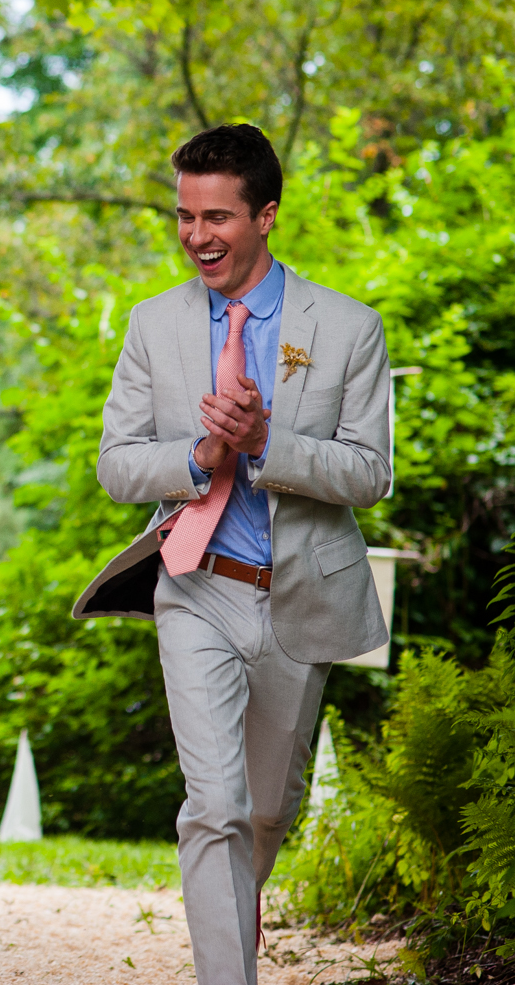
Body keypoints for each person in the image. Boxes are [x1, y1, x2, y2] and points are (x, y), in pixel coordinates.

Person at [75, 123, 391, 985]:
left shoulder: (350, 328)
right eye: (184, 216)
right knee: (213, 806)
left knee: (262, 818)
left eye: (216, 216)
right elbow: (114, 465)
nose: (197, 236)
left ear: (267, 216)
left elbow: (369, 474)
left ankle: (229, 942)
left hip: (299, 598)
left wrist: (264, 443)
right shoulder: (152, 325)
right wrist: (197, 457)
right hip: (196, 586)